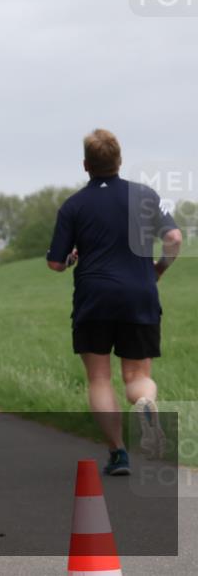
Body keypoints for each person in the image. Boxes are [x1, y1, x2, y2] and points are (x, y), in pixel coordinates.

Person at [46, 129, 181, 476]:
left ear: (86, 165)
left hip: (94, 299)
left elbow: (55, 263)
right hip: (139, 294)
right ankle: (146, 403)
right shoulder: (145, 196)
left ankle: (119, 454)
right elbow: (174, 237)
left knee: (99, 379)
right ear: (119, 161)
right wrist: (159, 268)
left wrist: (73, 257)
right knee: (137, 376)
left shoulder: (73, 205)